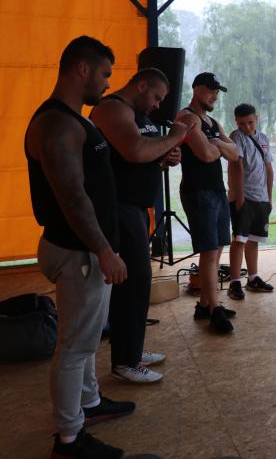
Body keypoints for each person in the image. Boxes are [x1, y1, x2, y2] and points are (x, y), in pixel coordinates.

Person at [25, 36, 132, 458]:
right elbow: (72, 198)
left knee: (86, 339)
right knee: (74, 347)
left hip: (85, 250)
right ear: (82, 69)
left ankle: (90, 403)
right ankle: (69, 439)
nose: (107, 83)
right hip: (79, 252)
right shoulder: (57, 124)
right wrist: (103, 250)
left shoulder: (74, 119)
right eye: (104, 74)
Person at [90, 67, 189, 383]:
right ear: (142, 85)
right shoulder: (113, 108)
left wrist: (164, 156)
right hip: (119, 207)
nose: (158, 105)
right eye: (156, 97)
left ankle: (131, 349)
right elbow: (133, 151)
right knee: (133, 284)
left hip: (135, 207)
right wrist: (174, 137)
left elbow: (142, 153)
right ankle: (125, 361)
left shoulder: (139, 115)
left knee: (137, 284)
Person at [175, 72, 239, 333]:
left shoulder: (211, 122)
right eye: (211, 90)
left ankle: (204, 304)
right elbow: (206, 154)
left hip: (216, 190)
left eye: (217, 91)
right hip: (198, 191)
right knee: (209, 252)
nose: (215, 96)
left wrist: (216, 143)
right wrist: (219, 145)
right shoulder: (187, 117)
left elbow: (234, 153)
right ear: (196, 89)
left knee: (218, 247)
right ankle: (214, 309)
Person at [226, 103, 275, 300]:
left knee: (253, 239)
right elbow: (236, 166)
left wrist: (269, 197)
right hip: (243, 197)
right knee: (239, 240)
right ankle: (234, 282)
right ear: (236, 122)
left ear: (257, 119)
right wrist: (239, 197)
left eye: (250, 122)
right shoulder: (236, 137)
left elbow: (268, 168)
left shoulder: (263, 139)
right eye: (242, 123)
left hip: (261, 198)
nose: (246, 127)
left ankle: (253, 278)